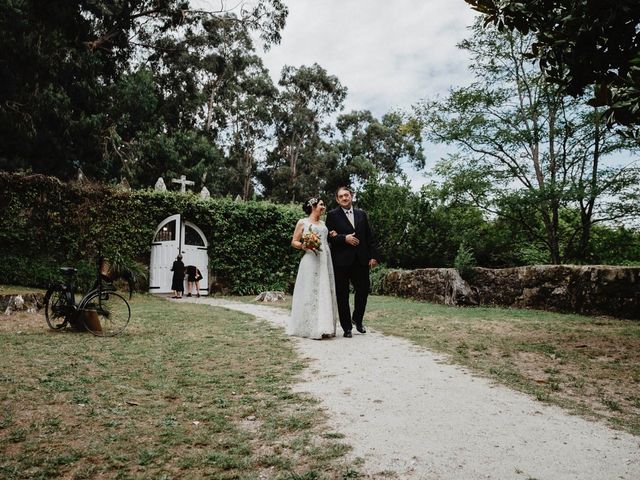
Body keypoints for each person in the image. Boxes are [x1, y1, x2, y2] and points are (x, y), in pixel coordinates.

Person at [326, 186, 379, 338]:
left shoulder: (361, 214)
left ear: (351, 196)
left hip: (361, 260)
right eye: (341, 196)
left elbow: (370, 237)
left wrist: (373, 256)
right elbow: (328, 237)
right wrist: (344, 238)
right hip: (341, 261)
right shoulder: (332, 215)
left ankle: (358, 319)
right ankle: (347, 327)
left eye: (346, 195)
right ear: (337, 199)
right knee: (342, 295)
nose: (344, 198)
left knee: (363, 291)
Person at [288, 197, 338, 339]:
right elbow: (294, 241)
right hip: (310, 259)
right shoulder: (302, 222)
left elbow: (325, 238)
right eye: (321, 205)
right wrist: (304, 245)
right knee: (309, 290)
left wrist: (332, 234)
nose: (323, 207)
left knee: (324, 290)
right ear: (313, 206)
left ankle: (324, 326)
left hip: (324, 259)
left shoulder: (323, 223)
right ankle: (309, 327)